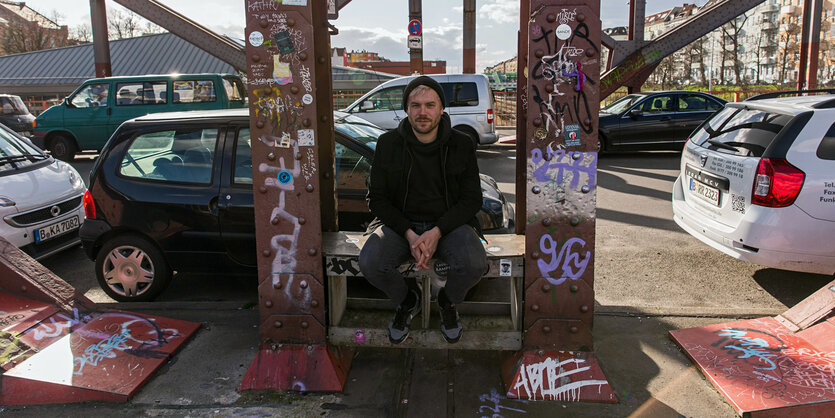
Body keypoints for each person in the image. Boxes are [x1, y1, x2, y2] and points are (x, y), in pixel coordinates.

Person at [358, 76, 487, 344]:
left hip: (448, 226)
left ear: (441, 109)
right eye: (415, 105)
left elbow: (472, 199)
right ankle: (408, 300)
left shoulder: (461, 144)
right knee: (371, 262)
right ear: (406, 109)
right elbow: (377, 199)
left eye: (430, 105)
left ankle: (447, 301)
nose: (423, 112)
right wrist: (409, 233)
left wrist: (437, 231)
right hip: (400, 226)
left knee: (474, 264)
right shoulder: (388, 144)